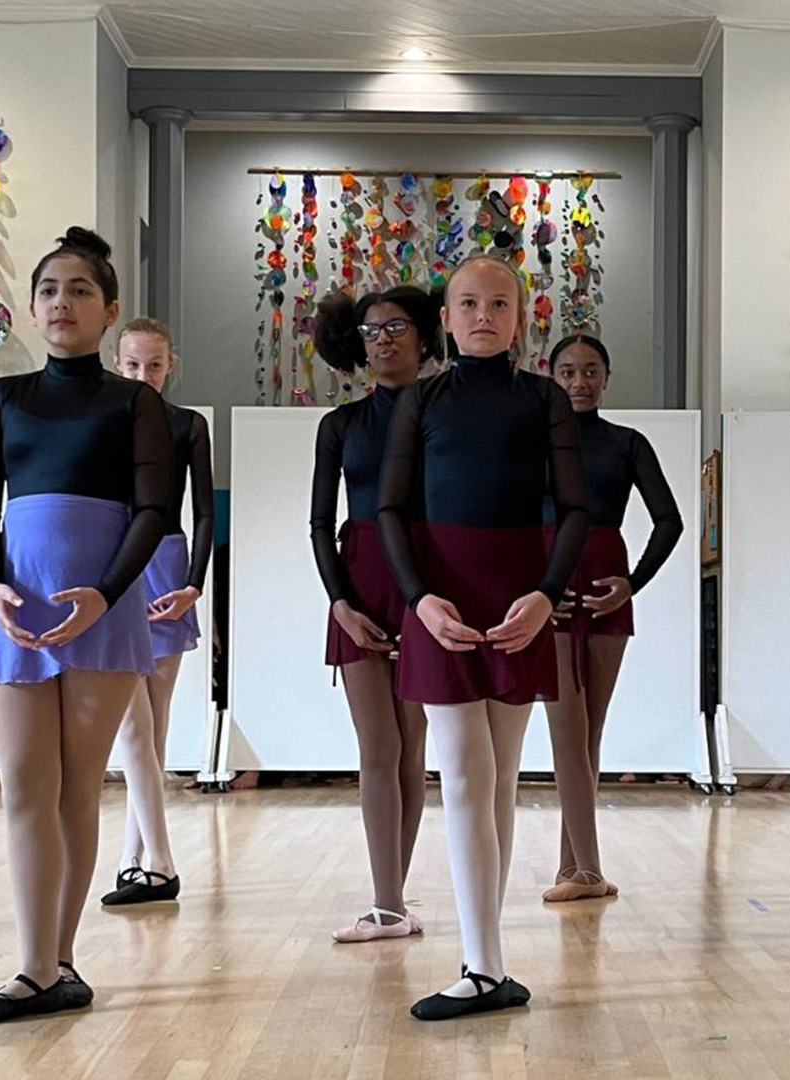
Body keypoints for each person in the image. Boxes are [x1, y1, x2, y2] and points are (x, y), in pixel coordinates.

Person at [0, 227, 172, 1025]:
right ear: (31, 306)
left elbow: (154, 511)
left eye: (80, 290)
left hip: (100, 607)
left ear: (108, 310)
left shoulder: (136, 403)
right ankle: (35, 963)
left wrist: (106, 595)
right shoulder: (2, 399)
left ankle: (55, 964)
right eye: (49, 289)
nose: (61, 302)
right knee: (23, 787)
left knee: (79, 784)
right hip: (19, 599)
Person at [378, 255, 588, 1020]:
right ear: (447, 316)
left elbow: (574, 510)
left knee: (500, 776)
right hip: (443, 596)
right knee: (464, 774)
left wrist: (546, 594)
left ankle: (488, 963)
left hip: (517, 595)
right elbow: (390, 511)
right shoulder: (422, 401)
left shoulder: (543, 400)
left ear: (521, 317)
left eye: (499, 303)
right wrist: (418, 599)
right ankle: (483, 964)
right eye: (468, 302)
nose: (483, 315)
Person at [310, 285, 441, 941]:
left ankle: (391, 901)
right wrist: (341, 603)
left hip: (427, 584)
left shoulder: (446, 415)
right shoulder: (339, 425)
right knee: (379, 747)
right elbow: (318, 525)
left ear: (423, 336)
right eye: (371, 330)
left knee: (411, 748)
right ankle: (388, 902)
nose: (384, 338)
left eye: (397, 326)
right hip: (360, 583)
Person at [538, 334, 682, 903]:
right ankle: (586, 870)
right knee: (565, 730)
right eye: (569, 372)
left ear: (607, 376)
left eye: (591, 371)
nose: (579, 382)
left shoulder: (627, 443)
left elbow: (668, 520)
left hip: (604, 582)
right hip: (550, 586)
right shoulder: (535, 443)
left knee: (588, 733)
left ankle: (574, 867)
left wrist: (632, 584)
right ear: (552, 376)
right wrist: (538, 588)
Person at [100, 318, 211, 907]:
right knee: (133, 725)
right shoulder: (104, 422)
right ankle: (141, 857)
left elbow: (204, 513)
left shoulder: (187, 425)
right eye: (133, 365)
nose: (144, 375)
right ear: (118, 364)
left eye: (155, 365)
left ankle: (145, 859)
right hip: (116, 565)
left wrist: (194, 584)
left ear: (171, 366)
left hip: (166, 565)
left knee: (151, 724)